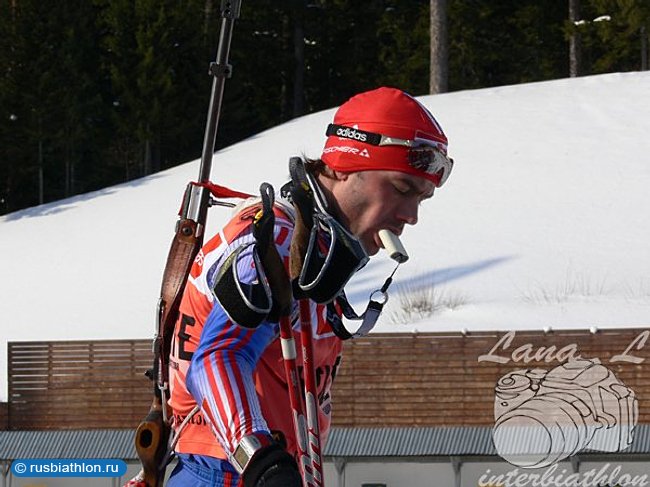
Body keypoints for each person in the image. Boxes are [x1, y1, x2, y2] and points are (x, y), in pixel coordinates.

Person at [165, 86, 454, 487]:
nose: (411, 216)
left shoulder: (322, 250)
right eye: (402, 189)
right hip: (225, 472)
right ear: (341, 167)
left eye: (422, 198)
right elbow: (219, 357)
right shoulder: (279, 239)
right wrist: (263, 461)